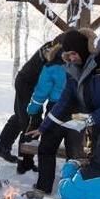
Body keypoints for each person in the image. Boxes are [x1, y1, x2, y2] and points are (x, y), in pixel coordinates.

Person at [26, 28, 100, 195]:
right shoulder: (75, 69)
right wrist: (44, 126)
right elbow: (64, 101)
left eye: (73, 54)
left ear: (83, 48)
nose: (71, 59)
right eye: (67, 56)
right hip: (99, 125)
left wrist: (93, 118)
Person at [0, 36, 64, 163]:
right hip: (26, 83)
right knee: (30, 120)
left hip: (27, 82)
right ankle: (25, 159)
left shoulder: (52, 47)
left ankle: (2, 146)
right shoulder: (53, 52)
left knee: (21, 116)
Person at [16, 39, 83, 174]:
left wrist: (32, 109)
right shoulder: (80, 65)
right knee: (74, 151)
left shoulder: (50, 67)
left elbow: (41, 93)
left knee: (47, 148)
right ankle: (72, 183)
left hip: (54, 109)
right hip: (78, 110)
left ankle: (44, 185)